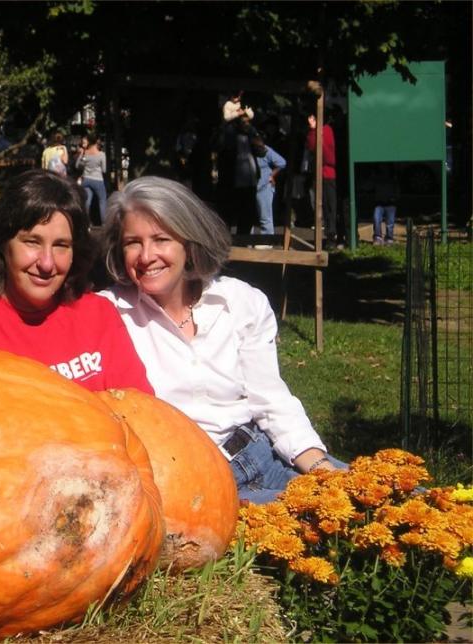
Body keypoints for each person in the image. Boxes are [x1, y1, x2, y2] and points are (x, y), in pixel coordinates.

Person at [99, 176, 344, 504]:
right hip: (198, 486)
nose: (146, 256)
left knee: (391, 501)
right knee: (323, 523)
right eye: (133, 242)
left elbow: (271, 400)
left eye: (161, 239)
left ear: (189, 242)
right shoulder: (107, 315)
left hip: (263, 453)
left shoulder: (239, 302)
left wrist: (320, 467)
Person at [0, 169, 153, 394]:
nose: (47, 263)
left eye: (61, 245)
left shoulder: (99, 314)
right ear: (3, 244)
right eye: (32, 242)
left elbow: (138, 409)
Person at [306, 111, 338, 249]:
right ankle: (328, 235)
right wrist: (313, 130)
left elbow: (324, 152)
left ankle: (332, 235)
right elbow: (311, 147)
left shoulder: (327, 130)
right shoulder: (318, 131)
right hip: (320, 173)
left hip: (328, 173)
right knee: (323, 205)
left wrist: (314, 130)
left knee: (330, 206)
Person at [252, 135, 287, 242]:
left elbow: (282, 162)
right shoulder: (248, 151)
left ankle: (267, 241)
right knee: (250, 217)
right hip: (252, 187)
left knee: (265, 217)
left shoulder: (266, 151)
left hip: (264, 187)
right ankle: (248, 241)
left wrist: (272, 175)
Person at [75, 134, 108, 226]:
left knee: (87, 201)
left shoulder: (85, 153)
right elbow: (104, 169)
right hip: (98, 180)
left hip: (86, 179)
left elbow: (77, 166)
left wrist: (81, 155)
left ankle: (86, 223)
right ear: (96, 142)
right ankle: (104, 224)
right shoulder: (101, 154)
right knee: (102, 200)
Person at [371, 164, 399, 245]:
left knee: (390, 222)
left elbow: (397, 190)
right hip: (379, 202)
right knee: (376, 219)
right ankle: (377, 237)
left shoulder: (393, 178)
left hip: (390, 203)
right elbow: (370, 185)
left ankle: (389, 238)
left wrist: (395, 197)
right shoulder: (376, 177)